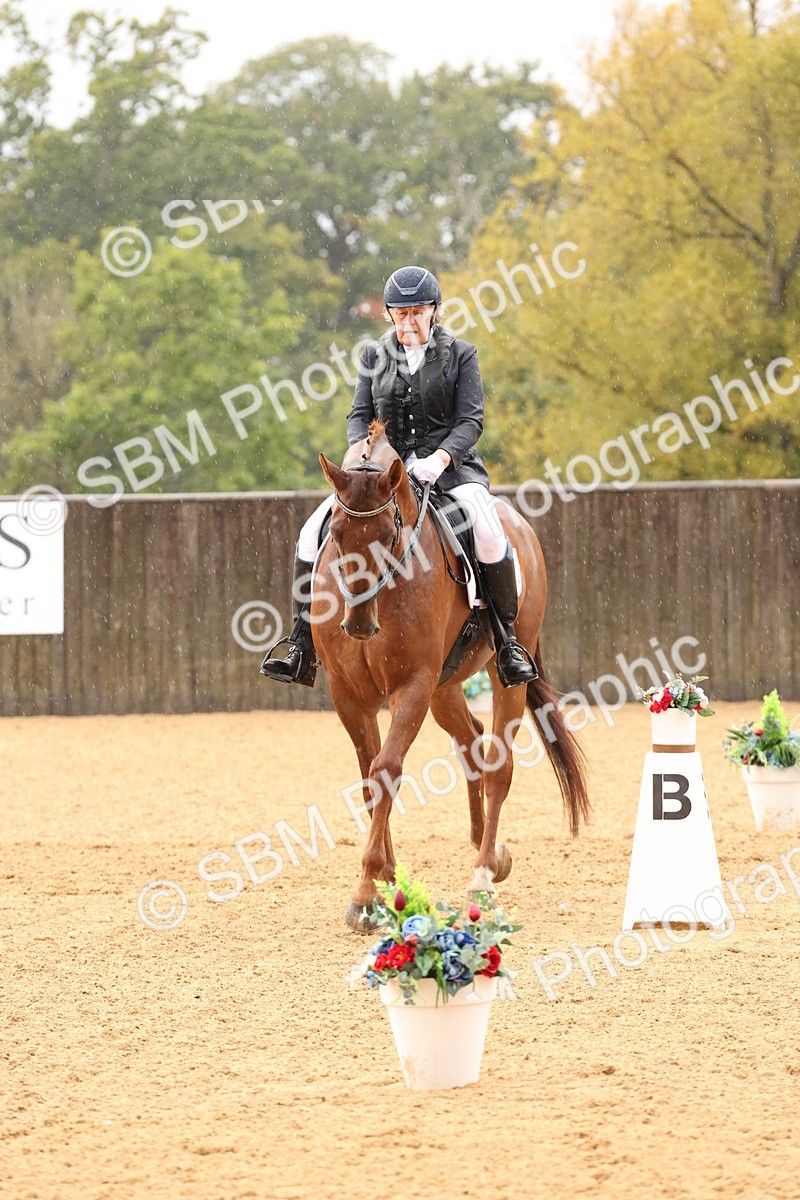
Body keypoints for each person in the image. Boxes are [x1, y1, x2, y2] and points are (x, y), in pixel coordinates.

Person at [260, 264, 537, 689]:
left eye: (418, 312)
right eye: (401, 313)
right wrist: (360, 459)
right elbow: (359, 415)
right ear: (389, 314)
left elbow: (471, 420)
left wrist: (440, 458)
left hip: (450, 473)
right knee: (311, 531)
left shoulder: (461, 354)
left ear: (434, 311)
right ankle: (300, 641)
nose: (409, 321)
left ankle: (506, 641)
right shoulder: (374, 356)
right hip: (380, 479)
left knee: (487, 531)